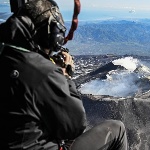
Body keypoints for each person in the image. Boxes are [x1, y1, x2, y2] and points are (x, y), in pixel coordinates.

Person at [0, 0, 128, 149]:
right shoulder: (41, 71)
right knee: (116, 129)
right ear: (49, 33)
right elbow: (75, 126)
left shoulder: (6, 54)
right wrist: (65, 76)